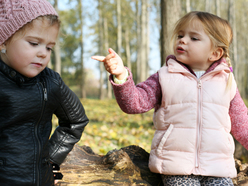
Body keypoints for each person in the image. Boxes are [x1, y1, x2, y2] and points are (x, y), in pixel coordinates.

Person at [92, 11, 248, 186]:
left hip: (218, 167)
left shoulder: (227, 82)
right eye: (181, 35)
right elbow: (135, 103)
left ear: (215, 53)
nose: (183, 40)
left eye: (194, 38)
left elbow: (243, 125)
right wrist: (121, 75)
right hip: (176, 165)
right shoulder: (164, 76)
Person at [0, 0, 89, 186]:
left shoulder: (50, 82)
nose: (43, 53)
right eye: (34, 43)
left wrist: (51, 159)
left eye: (49, 47)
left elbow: (76, 120)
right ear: (4, 41)